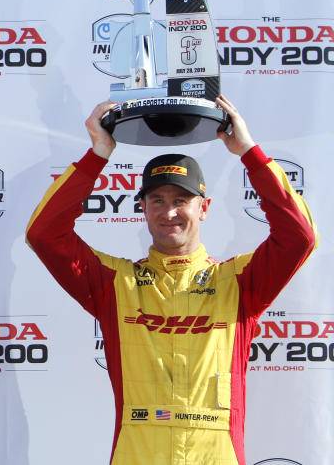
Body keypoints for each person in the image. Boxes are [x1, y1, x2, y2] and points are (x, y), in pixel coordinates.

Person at [25, 96, 316, 465]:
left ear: (204, 208)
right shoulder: (116, 284)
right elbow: (44, 234)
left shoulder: (240, 283)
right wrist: (98, 153)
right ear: (143, 208)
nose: (170, 212)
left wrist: (248, 152)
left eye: (182, 199)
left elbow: (300, 237)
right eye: (157, 200)